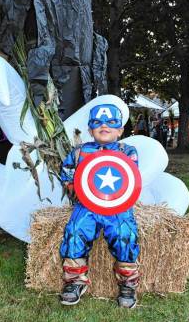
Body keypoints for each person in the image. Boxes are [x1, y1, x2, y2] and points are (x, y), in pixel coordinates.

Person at [59, 103, 140, 308]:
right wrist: (74, 189)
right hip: (87, 205)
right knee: (75, 230)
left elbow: (130, 178)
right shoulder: (80, 151)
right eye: (98, 123)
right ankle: (75, 281)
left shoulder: (127, 151)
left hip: (117, 207)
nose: (104, 127)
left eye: (111, 123)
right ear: (90, 129)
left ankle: (128, 283)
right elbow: (67, 170)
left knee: (125, 233)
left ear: (121, 130)